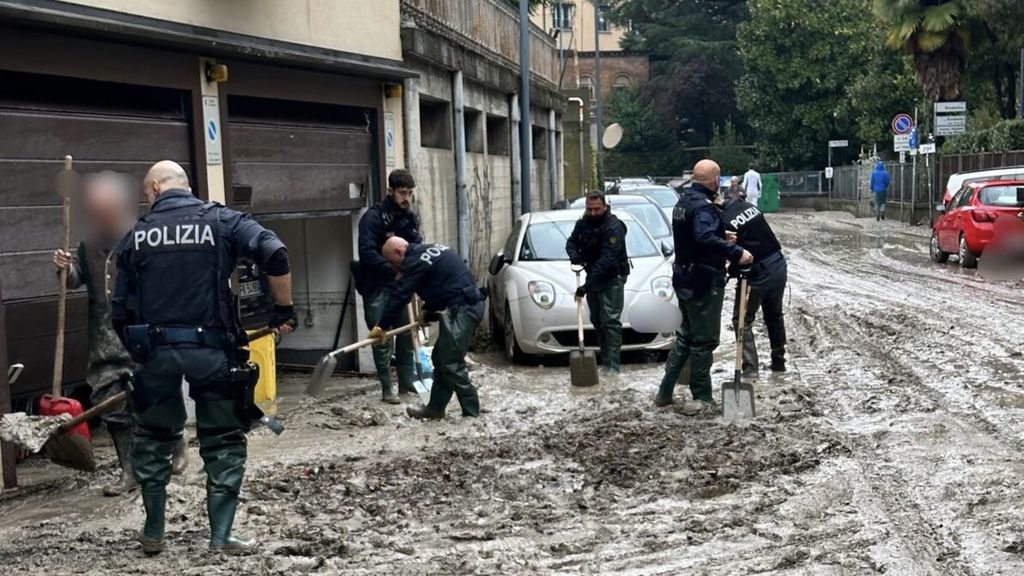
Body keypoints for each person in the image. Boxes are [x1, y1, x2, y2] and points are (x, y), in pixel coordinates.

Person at [111, 161, 296, 555]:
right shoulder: (224, 221)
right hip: (214, 352)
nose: (146, 200)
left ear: (157, 188)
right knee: (223, 439)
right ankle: (221, 535)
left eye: (146, 194)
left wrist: (141, 354)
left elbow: (119, 312)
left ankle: (154, 531)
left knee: (154, 438)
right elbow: (275, 253)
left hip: (156, 353)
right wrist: (283, 310)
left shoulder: (135, 237)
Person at [52, 172, 188, 496]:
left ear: (119, 207)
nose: (100, 218)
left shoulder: (143, 237)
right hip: (103, 332)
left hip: (140, 325)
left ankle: (175, 438)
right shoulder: (88, 244)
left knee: (152, 393)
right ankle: (130, 471)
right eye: (95, 212)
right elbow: (74, 280)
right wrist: (63, 268)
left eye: (105, 211)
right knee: (110, 402)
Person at [655, 160, 752, 409]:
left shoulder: (683, 203)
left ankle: (665, 393)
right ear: (715, 180)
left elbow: (694, 237)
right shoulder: (704, 207)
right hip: (703, 281)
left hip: (684, 277)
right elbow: (703, 236)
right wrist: (735, 251)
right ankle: (702, 397)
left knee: (685, 336)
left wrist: (721, 235)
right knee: (704, 340)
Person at [370, 237, 485, 419]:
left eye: (392, 262)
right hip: (462, 306)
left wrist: (382, 326)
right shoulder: (425, 252)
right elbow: (441, 283)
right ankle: (435, 408)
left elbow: (401, 295)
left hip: (464, 309)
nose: (394, 268)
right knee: (439, 358)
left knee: (451, 362)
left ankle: (472, 414)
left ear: (399, 252)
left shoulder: (414, 262)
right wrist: (427, 310)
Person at [355, 169, 421, 404]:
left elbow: (416, 245)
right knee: (382, 338)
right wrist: (392, 271)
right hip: (377, 286)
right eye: (403, 193)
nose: (407, 198)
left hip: (401, 286)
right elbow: (366, 253)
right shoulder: (373, 218)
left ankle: (406, 380)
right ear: (390, 191)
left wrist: (412, 271)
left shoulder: (408, 217)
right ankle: (386, 388)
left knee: (405, 332)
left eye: (410, 193)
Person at [723, 186, 788, 374]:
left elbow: (738, 253)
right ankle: (779, 361)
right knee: (774, 315)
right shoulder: (752, 208)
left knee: (741, 319)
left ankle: (750, 368)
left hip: (757, 273)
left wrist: (729, 271)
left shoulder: (726, 221)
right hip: (778, 264)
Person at [565, 191, 629, 374]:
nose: (592, 213)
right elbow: (570, 242)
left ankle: (614, 366)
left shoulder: (613, 227)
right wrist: (575, 256)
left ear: (605, 207)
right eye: (589, 209)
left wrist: (586, 286)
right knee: (598, 320)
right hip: (593, 276)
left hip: (612, 277)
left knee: (610, 321)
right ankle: (605, 361)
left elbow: (607, 259)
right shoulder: (583, 223)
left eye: (596, 209)